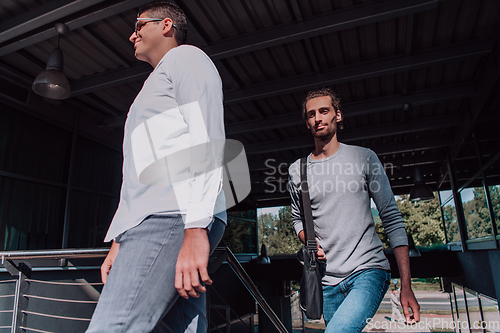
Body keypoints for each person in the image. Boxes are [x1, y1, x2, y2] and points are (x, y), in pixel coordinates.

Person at [86, 1, 227, 332]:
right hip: (161, 216)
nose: (131, 35)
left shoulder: (186, 58)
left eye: (138, 26)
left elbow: (204, 135)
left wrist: (195, 227)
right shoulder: (155, 83)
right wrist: (120, 239)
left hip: (171, 215)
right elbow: (138, 171)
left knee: (113, 326)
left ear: (166, 26)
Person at [288, 88, 420, 332]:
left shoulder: (364, 158)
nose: (318, 118)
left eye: (324, 111)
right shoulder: (298, 170)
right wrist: (309, 241)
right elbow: (297, 218)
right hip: (326, 282)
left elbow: (391, 217)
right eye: (311, 114)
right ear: (307, 122)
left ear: (338, 116)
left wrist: (406, 285)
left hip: (368, 271)